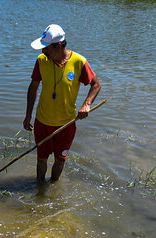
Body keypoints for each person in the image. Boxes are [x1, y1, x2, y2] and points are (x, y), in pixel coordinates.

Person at [23, 24, 101, 182]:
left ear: (58, 46)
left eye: (46, 48)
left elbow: (96, 84)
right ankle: (40, 189)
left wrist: (87, 104)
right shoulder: (41, 61)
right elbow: (33, 87)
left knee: (60, 160)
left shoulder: (79, 62)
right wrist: (28, 115)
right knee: (41, 159)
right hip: (42, 122)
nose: (42, 52)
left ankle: (53, 184)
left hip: (66, 124)